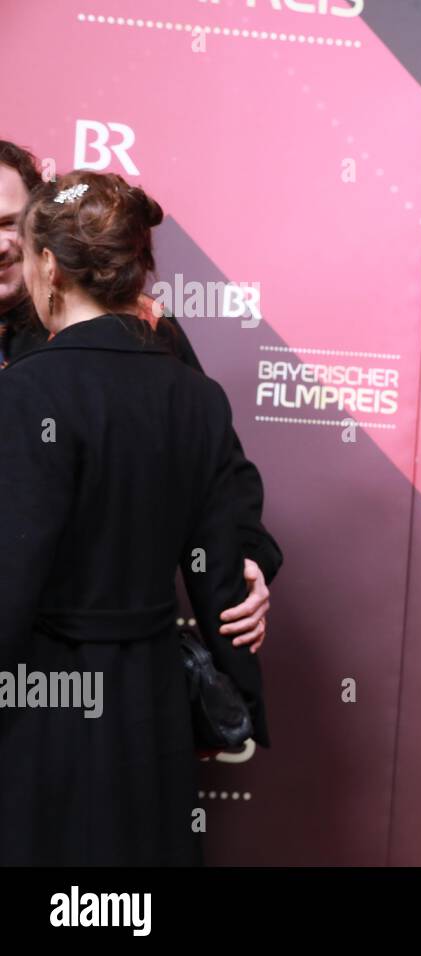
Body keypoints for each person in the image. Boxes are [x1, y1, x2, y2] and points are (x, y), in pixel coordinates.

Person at [0, 171, 269, 865]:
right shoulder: (195, 398)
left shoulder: (25, 390)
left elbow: (13, 575)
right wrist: (239, 680)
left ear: (50, 266)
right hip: (147, 694)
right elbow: (216, 578)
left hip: (40, 690)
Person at [0, 140, 277, 652]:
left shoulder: (142, 331)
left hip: (54, 668)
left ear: (42, 240)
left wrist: (243, 559)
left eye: (7, 224)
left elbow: (221, 475)